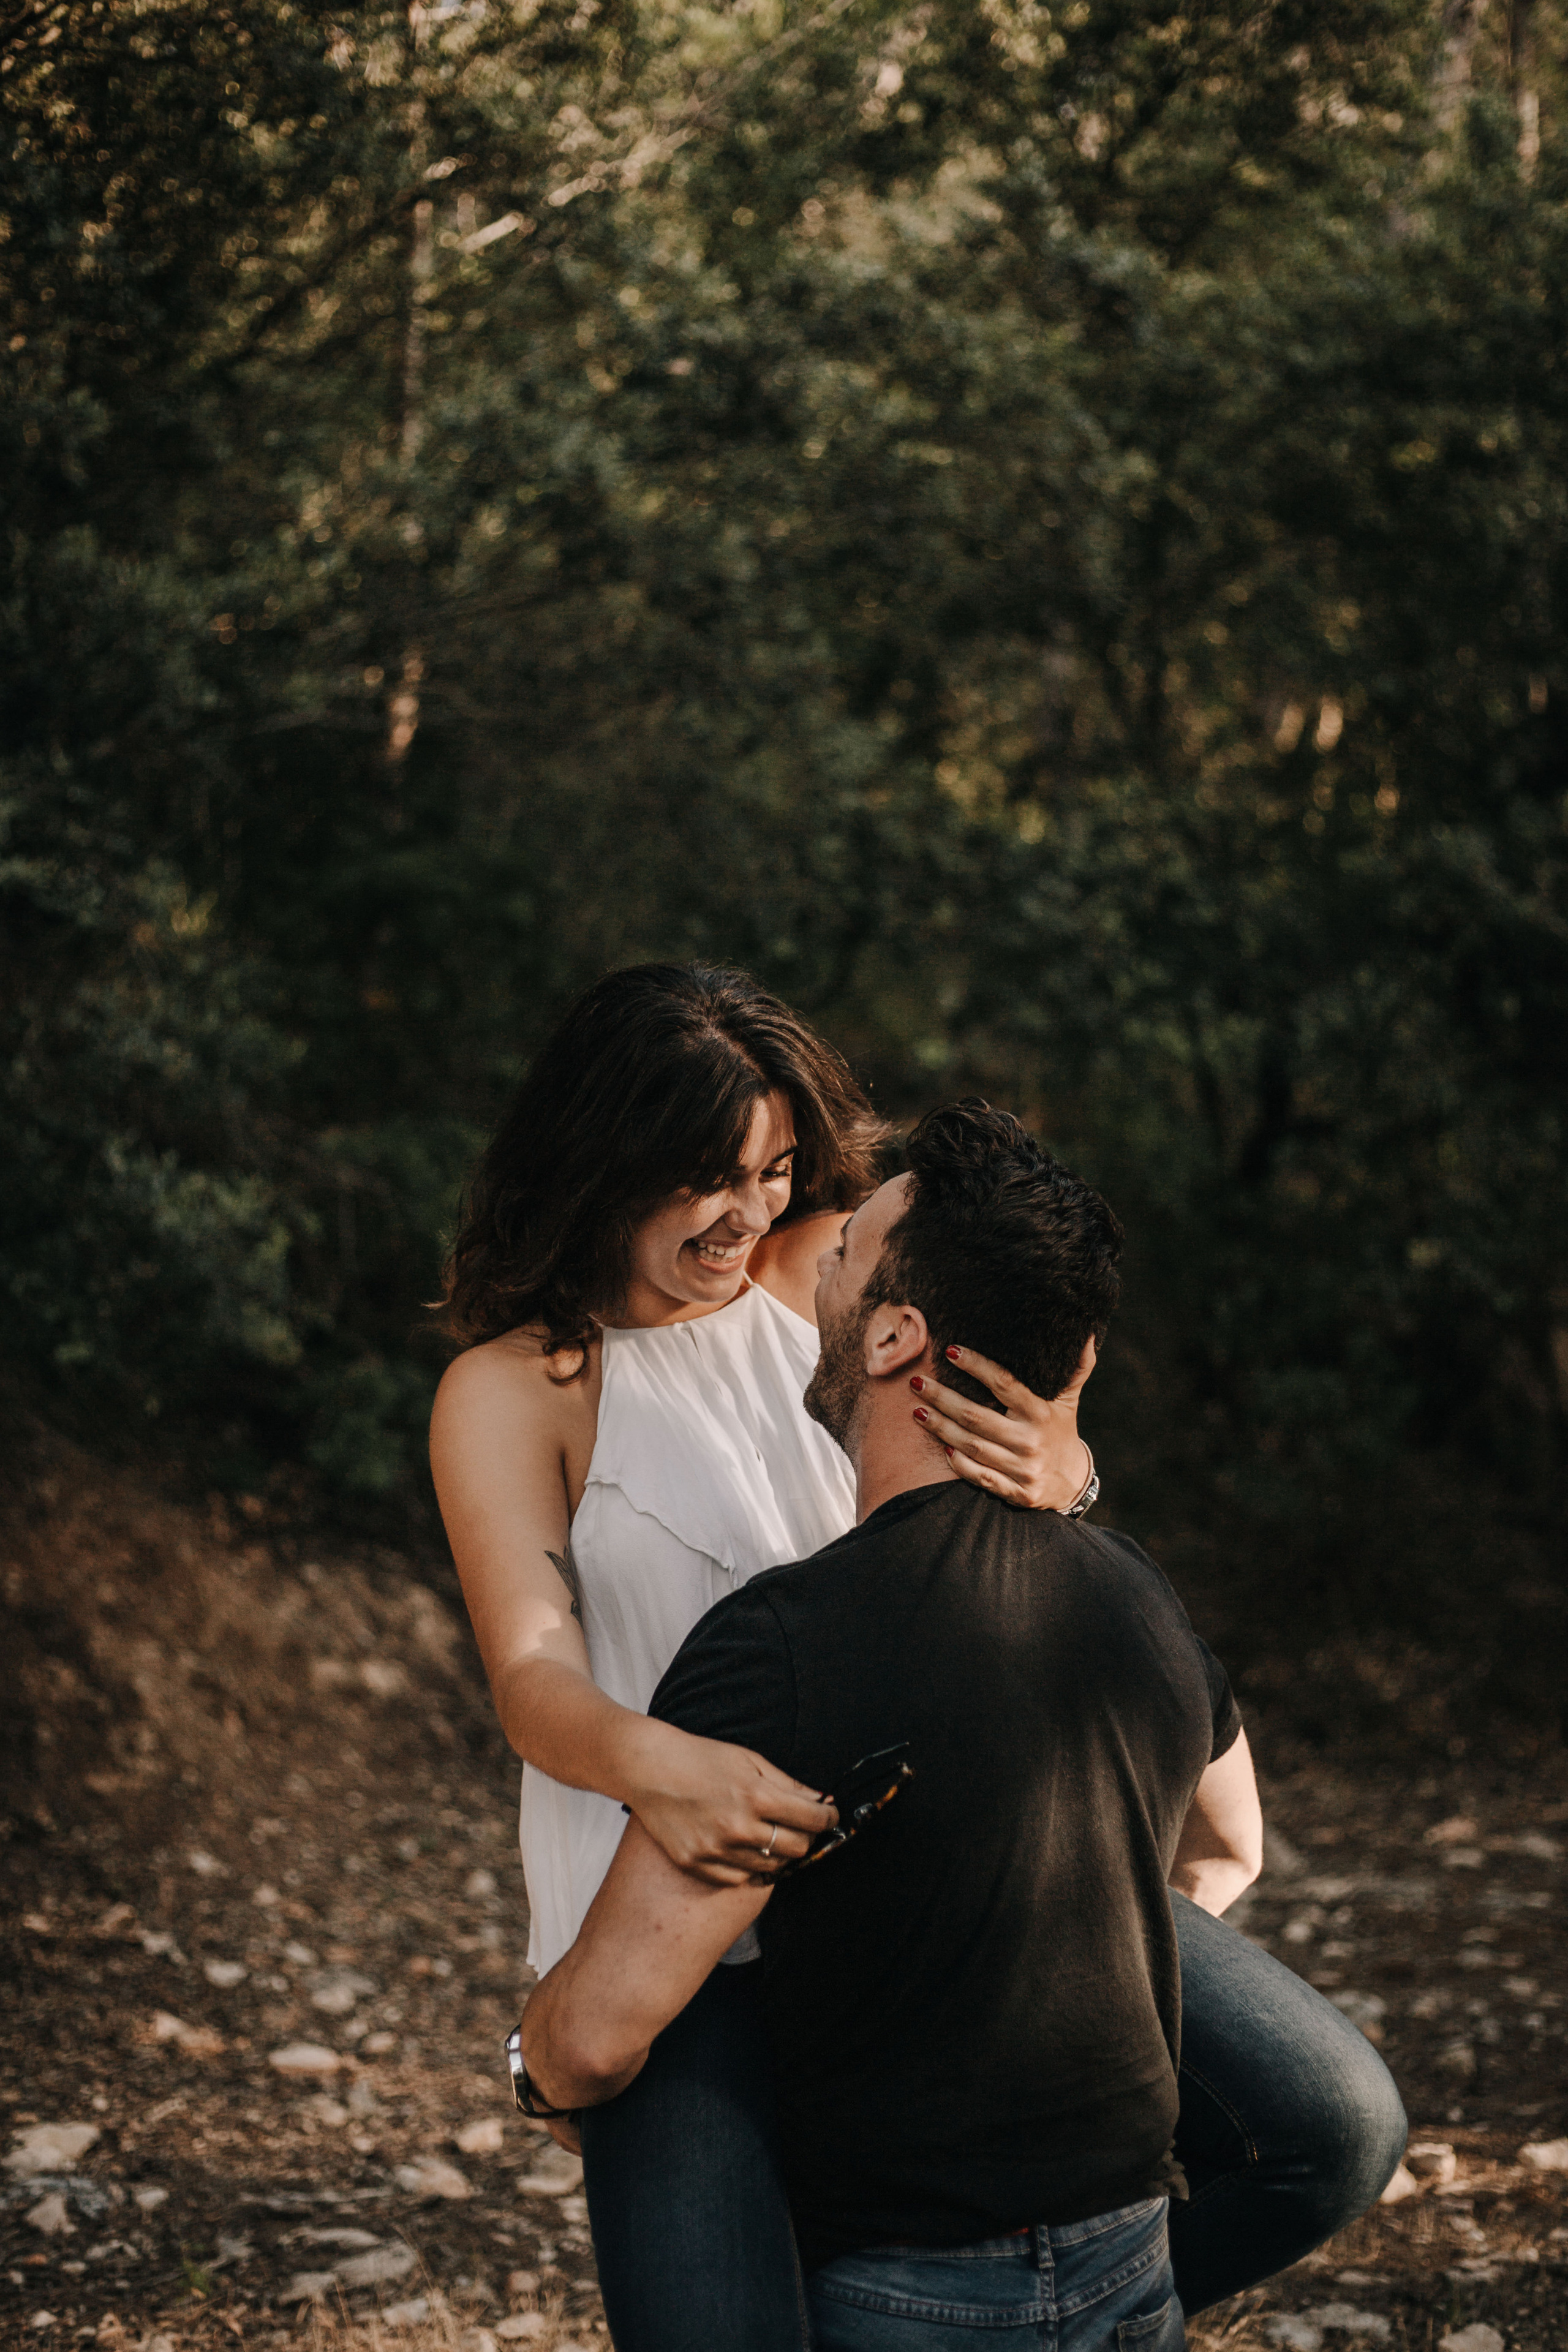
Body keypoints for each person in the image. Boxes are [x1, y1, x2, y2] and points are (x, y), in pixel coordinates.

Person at [431, 966, 1406, 2350]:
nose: (752, 1212)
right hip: (683, 1892)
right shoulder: (519, 1388)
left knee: (1334, 2121)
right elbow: (533, 1681)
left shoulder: (821, 1273)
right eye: (710, 1178)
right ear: (602, 1161)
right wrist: (667, 1770)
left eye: (774, 1169)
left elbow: (1001, 1350)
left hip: (928, 1862)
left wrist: (1066, 1466)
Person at [516, 1101, 1264, 2348]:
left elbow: (594, 2039)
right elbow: (1232, 1846)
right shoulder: (1133, 1591)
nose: (814, 1264)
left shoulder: (779, 1648)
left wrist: (524, 2061)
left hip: (907, 2300)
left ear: (894, 1334)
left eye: (846, 1250)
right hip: (1131, 2273)